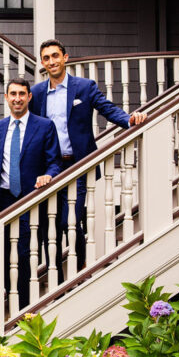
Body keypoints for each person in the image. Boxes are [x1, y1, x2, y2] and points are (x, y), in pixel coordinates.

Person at [30, 39, 147, 267]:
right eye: (46, 58)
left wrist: (129, 120)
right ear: (42, 63)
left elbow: (108, 109)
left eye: (55, 56)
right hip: (48, 168)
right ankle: (57, 275)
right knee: (48, 225)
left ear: (65, 57)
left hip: (78, 165)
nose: (51, 61)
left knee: (69, 222)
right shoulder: (37, 94)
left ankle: (82, 265)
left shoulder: (84, 87)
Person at [0, 78, 62, 307]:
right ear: (6, 97)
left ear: (29, 97)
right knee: (1, 252)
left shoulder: (44, 126)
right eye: (13, 94)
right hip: (2, 199)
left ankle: (22, 304)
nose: (17, 98)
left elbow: (54, 162)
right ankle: (6, 297)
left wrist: (48, 175)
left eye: (22, 94)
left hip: (29, 198)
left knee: (23, 253)